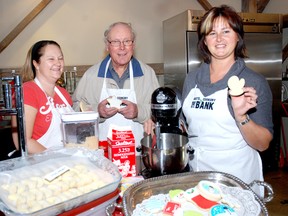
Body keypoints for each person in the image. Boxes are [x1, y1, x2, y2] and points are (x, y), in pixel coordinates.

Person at [181, 5, 273, 196]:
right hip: (198, 177)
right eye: (212, 33)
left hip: (238, 181)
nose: (219, 39)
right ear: (204, 40)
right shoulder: (192, 79)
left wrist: (241, 116)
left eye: (226, 31)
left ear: (238, 36)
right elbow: (187, 126)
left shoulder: (254, 82)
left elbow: (263, 143)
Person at [72, 22, 160, 156]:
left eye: (127, 41)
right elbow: (75, 111)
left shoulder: (147, 74)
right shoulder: (91, 75)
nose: (122, 47)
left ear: (133, 44)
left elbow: (159, 111)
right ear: (107, 46)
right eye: (116, 42)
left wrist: (139, 111)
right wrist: (97, 111)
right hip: (101, 156)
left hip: (138, 155)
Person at [12, 40, 73, 154]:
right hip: (38, 164)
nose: (58, 63)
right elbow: (23, 141)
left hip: (66, 158)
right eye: (51, 59)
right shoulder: (28, 91)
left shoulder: (63, 94)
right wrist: (56, 159)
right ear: (36, 64)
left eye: (60, 58)